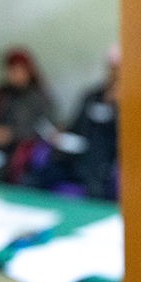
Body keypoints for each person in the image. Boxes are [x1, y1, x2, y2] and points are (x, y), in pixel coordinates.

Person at [25, 45, 120, 199]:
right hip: (75, 157)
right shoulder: (92, 96)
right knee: (33, 180)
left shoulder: (133, 104)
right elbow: (75, 126)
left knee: (96, 192)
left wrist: (117, 105)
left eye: (118, 70)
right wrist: (59, 135)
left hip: (100, 165)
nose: (114, 74)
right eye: (111, 69)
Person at [0, 47, 56, 182]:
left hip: (17, 148)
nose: (15, 75)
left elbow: (45, 129)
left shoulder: (39, 97)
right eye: (11, 71)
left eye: (19, 71)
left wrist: (11, 135)